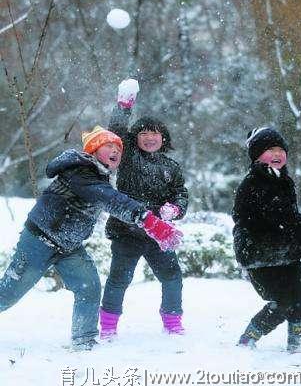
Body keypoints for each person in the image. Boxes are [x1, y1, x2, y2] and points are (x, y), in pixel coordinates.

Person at [0, 126, 182, 351]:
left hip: (69, 246)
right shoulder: (80, 170)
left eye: (118, 147)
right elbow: (111, 199)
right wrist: (148, 221)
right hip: (40, 240)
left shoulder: (99, 175)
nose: (115, 150)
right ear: (94, 150)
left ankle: (83, 342)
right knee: (7, 294)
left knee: (89, 288)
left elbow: (109, 196)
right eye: (109, 145)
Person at [99, 79, 188, 338]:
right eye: (143, 133)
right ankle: (108, 326)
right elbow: (115, 132)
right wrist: (123, 107)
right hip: (126, 231)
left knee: (172, 278)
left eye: (155, 133)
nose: (150, 137)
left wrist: (176, 209)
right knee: (119, 280)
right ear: (135, 139)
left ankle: (172, 321)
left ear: (164, 138)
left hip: (159, 235)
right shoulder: (128, 157)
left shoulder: (171, 167)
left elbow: (181, 193)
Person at [232, 127, 301, 352]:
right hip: (260, 254)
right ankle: (249, 338)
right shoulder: (252, 184)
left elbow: (291, 216)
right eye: (270, 149)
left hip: (285, 253)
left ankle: (294, 340)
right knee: (282, 301)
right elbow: (251, 218)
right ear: (257, 154)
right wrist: (288, 230)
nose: (277, 154)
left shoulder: (285, 181)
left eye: (280, 149)